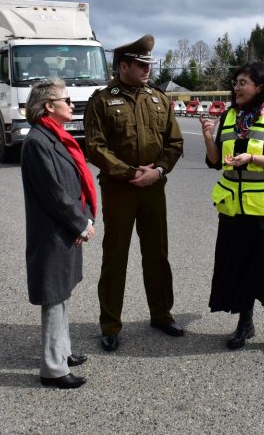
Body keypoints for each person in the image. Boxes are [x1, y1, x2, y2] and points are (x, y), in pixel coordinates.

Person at [84, 34, 184, 352]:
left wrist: (159, 171)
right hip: (119, 190)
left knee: (157, 254)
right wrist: (129, 174)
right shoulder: (101, 101)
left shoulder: (158, 99)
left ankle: (161, 314)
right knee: (116, 257)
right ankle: (110, 324)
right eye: (141, 65)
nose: (147, 70)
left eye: (149, 65)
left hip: (154, 187)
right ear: (123, 66)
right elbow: (95, 147)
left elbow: (174, 142)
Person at [200, 62, 264, 360]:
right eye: (235, 81)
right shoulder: (231, 115)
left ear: (260, 86)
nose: (236, 87)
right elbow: (216, 162)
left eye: (243, 82)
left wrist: (252, 157)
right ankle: (245, 323)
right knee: (240, 267)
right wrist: (208, 136)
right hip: (235, 209)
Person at [21, 78, 97, 389]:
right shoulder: (38, 142)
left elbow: (76, 184)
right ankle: (52, 369)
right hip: (53, 233)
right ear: (49, 106)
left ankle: (62, 352)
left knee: (62, 293)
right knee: (54, 298)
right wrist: (80, 224)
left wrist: (84, 220)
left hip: (64, 230)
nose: (72, 104)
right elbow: (55, 195)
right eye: (66, 100)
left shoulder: (57, 137)